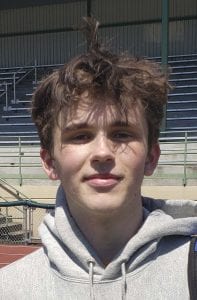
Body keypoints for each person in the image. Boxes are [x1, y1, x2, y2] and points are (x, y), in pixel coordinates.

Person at [1, 18, 197, 300]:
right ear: (49, 162)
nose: (103, 152)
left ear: (151, 157)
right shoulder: (8, 288)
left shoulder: (191, 271)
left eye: (121, 134)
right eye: (80, 136)